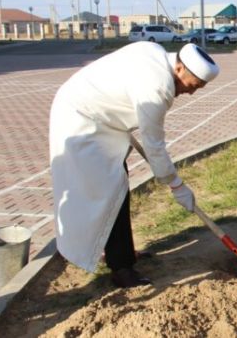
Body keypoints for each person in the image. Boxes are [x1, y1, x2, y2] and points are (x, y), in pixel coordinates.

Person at [49, 42, 219, 287]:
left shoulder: (157, 53)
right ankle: (121, 269)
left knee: (118, 184)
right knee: (109, 191)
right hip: (81, 120)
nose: (190, 93)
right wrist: (176, 184)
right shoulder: (157, 88)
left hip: (101, 119)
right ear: (179, 68)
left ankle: (123, 254)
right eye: (191, 86)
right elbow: (154, 146)